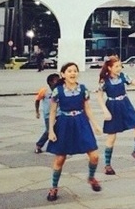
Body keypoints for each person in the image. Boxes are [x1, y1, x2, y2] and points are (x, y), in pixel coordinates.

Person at [45, 62, 102, 202]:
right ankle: (54, 187)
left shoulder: (83, 89)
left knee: (94, 156)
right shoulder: (57, 91)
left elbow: (87, 108)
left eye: (75, 71)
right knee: (60, 159)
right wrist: (51, 131)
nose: (72, 73)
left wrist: (95, 125)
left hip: (81, 123)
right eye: (69, 71)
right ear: (63, 75)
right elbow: (52, 112)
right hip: (64, 124)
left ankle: (91, 177)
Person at [95, 56, 135, 175]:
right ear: (109, 68)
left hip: (125, 104)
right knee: (111, 136)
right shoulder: (104, 80)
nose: (119, 68)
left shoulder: (123, 76)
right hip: (112, 106)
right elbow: (99, 96)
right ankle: (107, 165)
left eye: (120, 66)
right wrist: (105, 110)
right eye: (116, 66)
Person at [34, 73, 61, 154]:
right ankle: (39, 145)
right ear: (50, 82)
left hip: (59, 113)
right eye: (56, 80)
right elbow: (37, 100)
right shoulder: (44, 91)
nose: (58, 81)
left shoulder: (60, 89)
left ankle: (59, 147)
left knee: (60, 129)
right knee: (49, 130)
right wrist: (37, 111)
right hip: (48, 115)